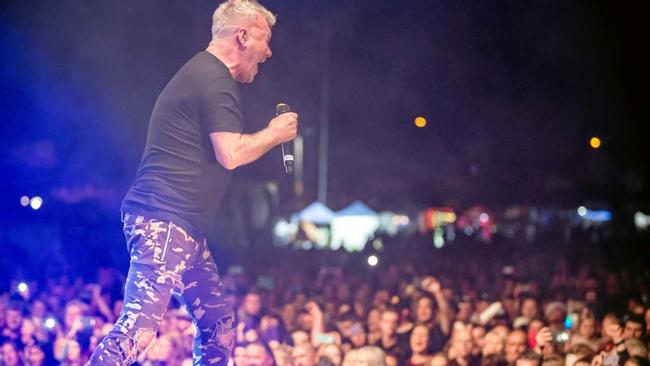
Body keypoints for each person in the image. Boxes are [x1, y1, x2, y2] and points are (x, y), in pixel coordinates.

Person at [87, 0, 298, 364]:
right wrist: (275, 134)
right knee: (137, 330)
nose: (269, 51)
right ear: (243, 36)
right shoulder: (214, 79)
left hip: (182, 229)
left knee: (219, 326)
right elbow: (230, 153)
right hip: (163, 222)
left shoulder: (205, 74)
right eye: (265, 39)